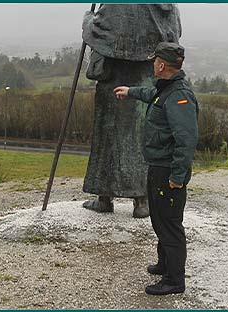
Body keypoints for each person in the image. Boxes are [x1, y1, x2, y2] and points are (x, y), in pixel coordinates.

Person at [81, 4, 182, 218]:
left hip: (116, 76)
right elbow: (174, 33)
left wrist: (88, 20)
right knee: (142, 135)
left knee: (108, 136)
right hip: (149, 75)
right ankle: (141, 201)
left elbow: (101, 32)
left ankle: (105, 198)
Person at [114, 42, 198, 295]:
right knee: (160, 220)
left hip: (168, 171)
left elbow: (186, 139)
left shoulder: (179, 95)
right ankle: (165, 265)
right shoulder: (167, 90)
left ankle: (174, 281)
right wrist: (130, 91)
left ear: (161, 65)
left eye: (155, 60)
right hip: (158, 167)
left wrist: (177, 177)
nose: (153, 64)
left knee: (170, 224)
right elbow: (151, 95)